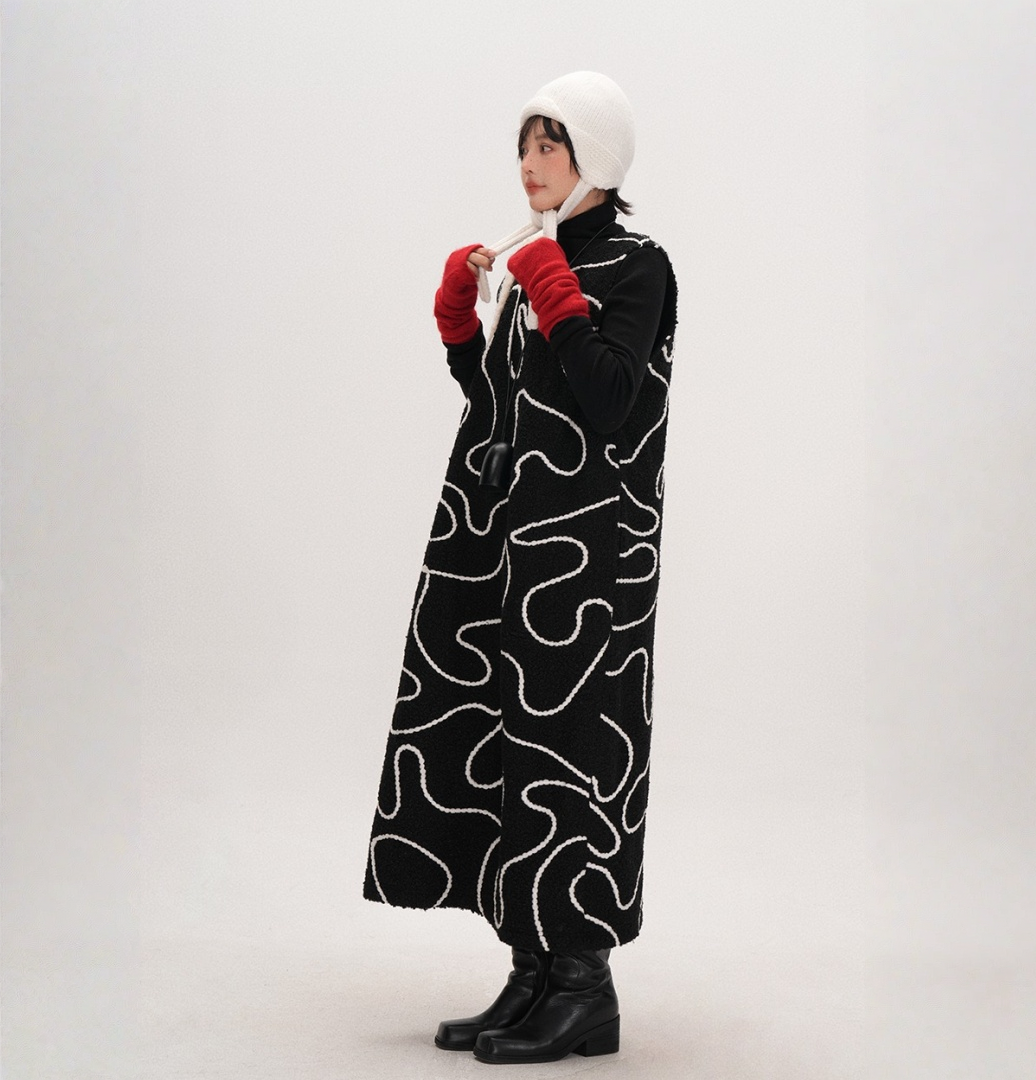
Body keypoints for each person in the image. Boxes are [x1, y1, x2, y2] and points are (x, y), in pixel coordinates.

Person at [363, 71, 678, 1065]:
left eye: (551, 144)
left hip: (585, 565)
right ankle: (532, 973)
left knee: (573, 745)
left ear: (597, 153)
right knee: (502, 744)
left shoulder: (636, 265)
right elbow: (506, 403)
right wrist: (463, 318)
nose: (531, 164)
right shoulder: (535, 256)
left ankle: (584, 987)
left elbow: (612, 399)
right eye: (525, 147)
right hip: (505, 544)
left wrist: (551, 292)